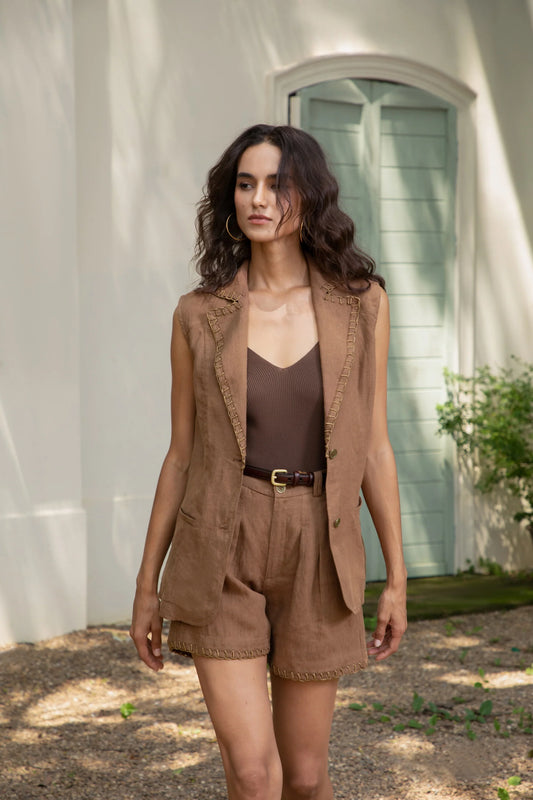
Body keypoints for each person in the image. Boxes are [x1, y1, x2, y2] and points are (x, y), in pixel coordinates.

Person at [130, 123, 407, 800]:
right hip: (221, 537)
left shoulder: (362, 303)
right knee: (254, 777)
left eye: (276, 184)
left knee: (307, 779)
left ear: (308, 195)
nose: (258, 199)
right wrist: (147, 585)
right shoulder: (198, 315)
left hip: (320, 539)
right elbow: (181, 454)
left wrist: (397, 579)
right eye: (244, 184)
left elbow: (373, 446)